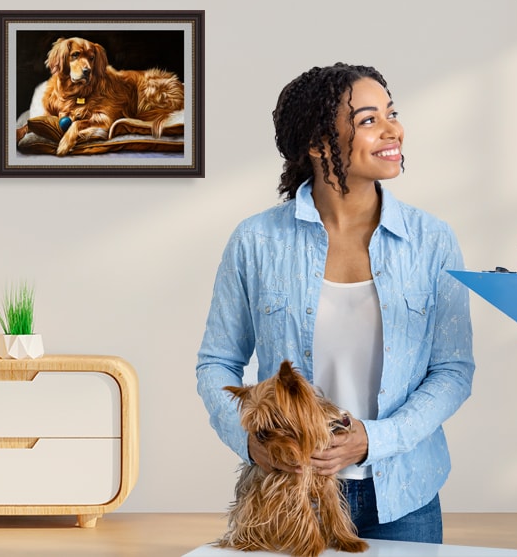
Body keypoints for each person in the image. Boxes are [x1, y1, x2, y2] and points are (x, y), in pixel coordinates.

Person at [196, 62, 475, 543]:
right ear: (318, 142)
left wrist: (374, 439)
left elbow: (452, 370)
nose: (393, 130)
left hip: (404, 495)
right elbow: (217, 363)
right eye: (369, 120)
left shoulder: (431, 241)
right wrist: (250, 442)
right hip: (289, 494)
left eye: (392, 113)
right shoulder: (257, 241)